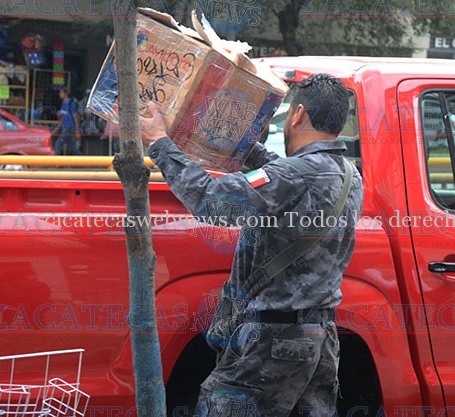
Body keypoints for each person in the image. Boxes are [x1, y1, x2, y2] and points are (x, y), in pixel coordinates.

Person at [140, 74, 364, 417]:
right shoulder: (349, 175)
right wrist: (245, 147)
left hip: (273, 342)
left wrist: (159, 143)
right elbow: (286, 178)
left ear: (298, 114)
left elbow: (213, 202)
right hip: (319, 339)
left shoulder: (293, 176)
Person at [53, 87, 82, 155]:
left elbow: (75, 117)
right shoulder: (63, 104)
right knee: (72, 147)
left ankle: (56, 161)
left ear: (65, 94)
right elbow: (62, 119)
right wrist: (56, 129)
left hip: (68, 127)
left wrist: (77, 130)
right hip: (64, 127)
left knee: (57, 144)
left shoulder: (71, 103)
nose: (60, 94)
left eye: (61, 92)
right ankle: (83, 159)